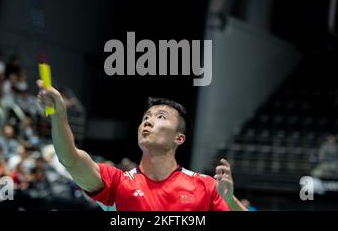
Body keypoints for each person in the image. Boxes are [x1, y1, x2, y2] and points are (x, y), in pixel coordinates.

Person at [37, 80, 247, 211]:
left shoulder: (206, 187)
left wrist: (229, 200)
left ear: (179, 138)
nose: (147, 121)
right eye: (146, 117)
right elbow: (70, 159)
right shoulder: (117, 184)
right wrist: (59, 116)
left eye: (160, 117)